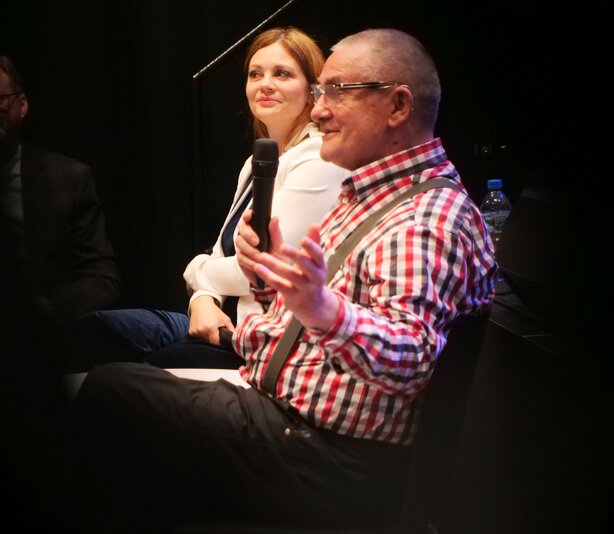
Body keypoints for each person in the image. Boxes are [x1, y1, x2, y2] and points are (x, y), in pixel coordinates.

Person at [70, 28, 496, 533]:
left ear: (398, 106)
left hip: (328, 459)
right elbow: (325, 305)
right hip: (289, 422)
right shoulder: (375, 192)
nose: (319, 111)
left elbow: (412, 356)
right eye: (319, 92)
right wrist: (266, 277)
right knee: (113, 379)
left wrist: (322, 310)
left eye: (336, 91)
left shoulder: (424, 219)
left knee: (110, 392)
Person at [63, 26, 347, 371]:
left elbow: (264, 273)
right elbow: (222, 255)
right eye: (255, 74)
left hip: (258, 338)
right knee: (92, 331)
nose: (265, 84)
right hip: (218, 318)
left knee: (139, 372)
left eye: (282, 74)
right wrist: (202, 298)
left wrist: (195, 270)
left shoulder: (318, 159)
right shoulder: (257, 162)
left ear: (312, 89)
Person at [0, 55, 121, 362]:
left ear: (22, 105)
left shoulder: (67, 179)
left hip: (38, 347)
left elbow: (102, 281)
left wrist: (36, 310)